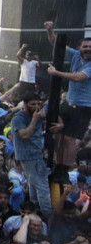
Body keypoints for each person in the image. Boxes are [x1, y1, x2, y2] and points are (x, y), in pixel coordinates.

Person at [45, 22, 91, 167]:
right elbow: (56, 43)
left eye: (90, 47)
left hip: (83, 107)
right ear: (80, 48)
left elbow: (79, 78)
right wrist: (50, 30)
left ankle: (65, 167)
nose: (88, 49)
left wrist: (56, 73)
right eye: (85, 46)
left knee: (70, 139)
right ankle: (58, 162)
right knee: (59, 135)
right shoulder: (76, 55)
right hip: (68, 102)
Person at [12, 90, 52, 216]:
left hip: (37, 154)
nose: (36, 107)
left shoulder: (39, 113)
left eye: (38, 104)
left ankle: (35, 209)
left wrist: (60, 125)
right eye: (32, 104)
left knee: (34, 185)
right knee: (42, 185)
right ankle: (46, 214)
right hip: (28, 155)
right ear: (25, 104)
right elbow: (25, 134)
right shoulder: (19, 118)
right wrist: (34, 119)